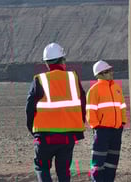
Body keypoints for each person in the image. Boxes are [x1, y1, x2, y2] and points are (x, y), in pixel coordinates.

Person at [26, 43, 86, 182]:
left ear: (47, 63)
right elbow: (82, 103)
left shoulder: (39, 80)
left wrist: (33, 130)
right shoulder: (73, 78)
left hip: (45, 136)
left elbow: (29, 108)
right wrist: (77, 125)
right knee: (63, 172)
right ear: (63, 60)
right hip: (67, 137)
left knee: (42, 167)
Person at [86, 60, 127, 182]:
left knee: (112, 163)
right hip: (102, 131)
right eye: (108, 71)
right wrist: (97, 127)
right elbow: (90, 111)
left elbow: (122, 106)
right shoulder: (94, 90)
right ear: (100, 74)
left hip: (116, 131)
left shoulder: (116, 88)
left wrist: (122, 123)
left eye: (110, 70)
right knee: (98, 163)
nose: (111, 73)